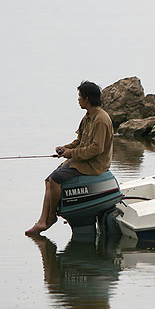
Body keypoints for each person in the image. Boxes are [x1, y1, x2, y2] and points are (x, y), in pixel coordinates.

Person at [25, 81, 114, 235]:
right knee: (49, 180)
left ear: (87, 99)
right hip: (82, 160)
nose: (78, 99)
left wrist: (71, 154)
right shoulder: (87, 117)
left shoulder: (101, 120)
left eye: (79, 96)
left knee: (55, 179)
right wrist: (65, 148)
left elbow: (96, 148)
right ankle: (42, 220)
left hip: (94, 165)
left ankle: (51, 217)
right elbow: (79, 142)